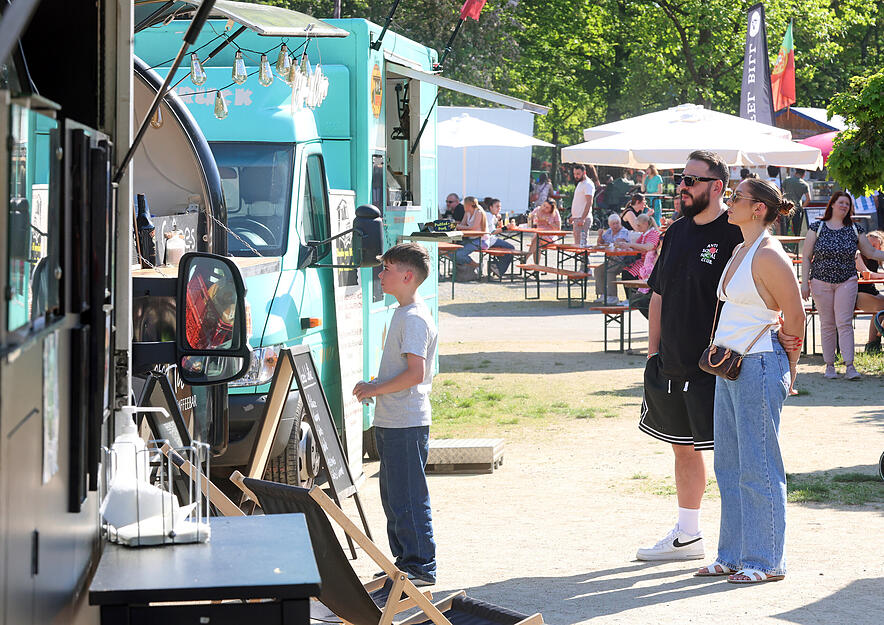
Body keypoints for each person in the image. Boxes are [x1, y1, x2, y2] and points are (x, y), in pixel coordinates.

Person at [694, 178, 804, 584]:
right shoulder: (741, 248)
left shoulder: (769, 255)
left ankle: (766, 560)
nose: (729, 202)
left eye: (737, 197)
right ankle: (734, 555)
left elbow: (795, 314)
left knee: (758, 466)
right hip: (731, 365)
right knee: (729, 464)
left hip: (758, 365)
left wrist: (789, 365)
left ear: (758, 208)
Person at [636, 150, 743, 562]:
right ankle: (688, 535)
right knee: (683, 447)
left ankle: (739, 546)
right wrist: (653, 353)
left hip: (716, 365)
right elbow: (658, 293)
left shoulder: (735, 233)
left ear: (717, 187)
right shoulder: (676, 232)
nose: (682, 186)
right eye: (681, 178)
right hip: (672, 362)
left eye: (692, 180)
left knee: (728, 455)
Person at [353, 243, 438, 587]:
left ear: (407, 276)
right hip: (392, 420)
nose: (380, 274)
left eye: (386, 269)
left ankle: (420, 568)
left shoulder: (415, 317)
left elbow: (415, 374)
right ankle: (405, 564)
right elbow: (402, 371)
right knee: (393, 497)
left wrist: (374, 389)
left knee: (408, 496)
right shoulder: (402, 313)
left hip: (406, 421)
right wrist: (377, 384)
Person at [800, 191, 884, 379]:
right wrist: (805, 283)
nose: (844, 206)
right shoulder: (817, 227)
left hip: (846, 281)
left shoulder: (855, 229)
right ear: (832, 205)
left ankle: (850, 366)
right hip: (820, 281)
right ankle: (829, 366)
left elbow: (870, 252)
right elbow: (806, 256)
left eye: (847, 204)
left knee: (844, 323)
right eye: (841, 203)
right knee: (827, 324)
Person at [593, 213, 632, 305]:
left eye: (617, 223)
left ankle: (613, 296)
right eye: (613, 224)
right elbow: (600, 242)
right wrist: (600, 235)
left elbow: (619, 242)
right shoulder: (609, 231)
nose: (615, 226)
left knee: (610, 270)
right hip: (611, 259)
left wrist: (609, 244)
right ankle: (603, 294)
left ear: (620, 223)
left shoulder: (624, 231)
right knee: (598, 270)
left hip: (623, 259)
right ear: (609, 225)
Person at [855, 230, 884, 353]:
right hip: (855, 293)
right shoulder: (856, 254)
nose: (870, 249)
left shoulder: (877, 257)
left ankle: (874, 341)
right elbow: (867, 273)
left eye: (874, 246)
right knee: (882, 306)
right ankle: (874, 342)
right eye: (868, 245)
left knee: (881, 306)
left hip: (870, 291)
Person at [484, 198, 516, 278]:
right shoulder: (489, 216)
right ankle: (498, 269)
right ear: (491, 207)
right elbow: (492, 232)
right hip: (489, 240)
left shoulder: (490, 215)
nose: (499, 209)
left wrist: (500, 219)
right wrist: (506, 227)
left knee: (505, 250)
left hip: (489, 239)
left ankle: (495, 266)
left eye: (500, 207)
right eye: (497, 206)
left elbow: (498, 226)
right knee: (511, 248)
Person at [454, 196, 488, 268]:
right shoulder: (467, 212)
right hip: (470, 238)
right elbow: (462, 224)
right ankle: (468, 266)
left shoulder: (479, 212)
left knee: (459, 255)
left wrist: (458, 226)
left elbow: (473, 227)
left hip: (480, 240)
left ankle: (477, 265)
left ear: (468, 205)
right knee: (451, 252)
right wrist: (458, 225)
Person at [569, 163, 598, 247]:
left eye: (578, 174)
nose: (576, 176)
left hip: (582, 219)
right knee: (578, 244)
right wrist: (573, 216)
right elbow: (579, 202)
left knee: (581, 245)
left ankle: (585, 260)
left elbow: (589, 202)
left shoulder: (588, 184)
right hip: (577, 218)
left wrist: (583, 218)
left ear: (584, 173)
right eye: (574, 174)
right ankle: (582, 260)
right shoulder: (580, 183)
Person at [527, 198, 561, 263]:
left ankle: (525, 258)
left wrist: (548, 221)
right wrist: (533, 217)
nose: (544, 208)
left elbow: (558, 228)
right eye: (544, 205)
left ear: (551, 209)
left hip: (550, 236)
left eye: (547, 207)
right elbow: (529, 218)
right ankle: (536, 268)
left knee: (536, 241)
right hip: (539, 234)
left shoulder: (555, 212)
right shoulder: (538, 209)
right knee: (537, 244)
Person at [781, 169, 811, 235]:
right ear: (803, 175)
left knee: (784, 228)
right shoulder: (804, 184)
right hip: (797, 208)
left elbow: (781, 193)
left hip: (786, 206)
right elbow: (808, 199)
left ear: (795, 172)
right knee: (797, 230)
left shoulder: (787, 180)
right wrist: (802, 208)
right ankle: (796, 244)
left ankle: (784, 244)